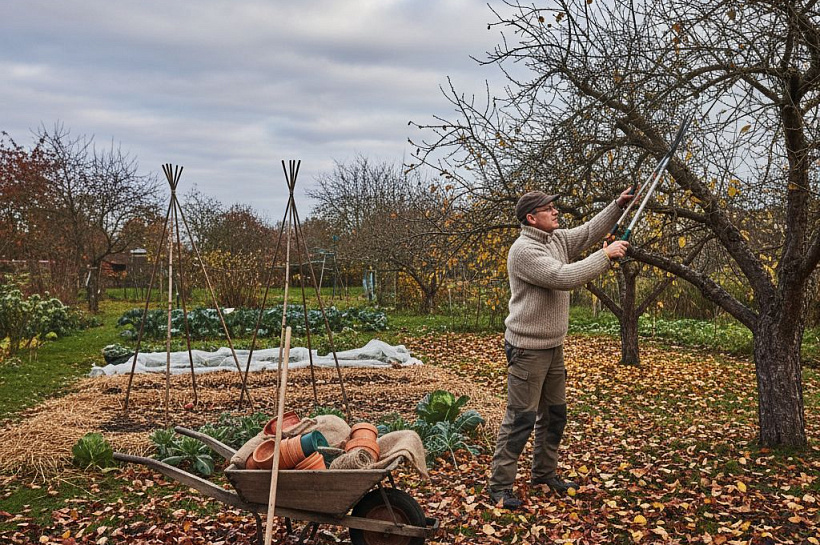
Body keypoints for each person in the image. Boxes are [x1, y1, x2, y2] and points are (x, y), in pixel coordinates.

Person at [488, 188, 634, 509]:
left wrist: (617, 205)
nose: (555, 212)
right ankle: (499, 487)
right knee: (521, 419)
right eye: (548, 209)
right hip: (527, 350)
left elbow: (589, 231)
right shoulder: (524, 251)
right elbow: (562, 276)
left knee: (555, 415)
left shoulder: (556, 239)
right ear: (531, 218)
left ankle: (544, 475)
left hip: (553, 347)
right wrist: (605, 256)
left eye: (554, 207)